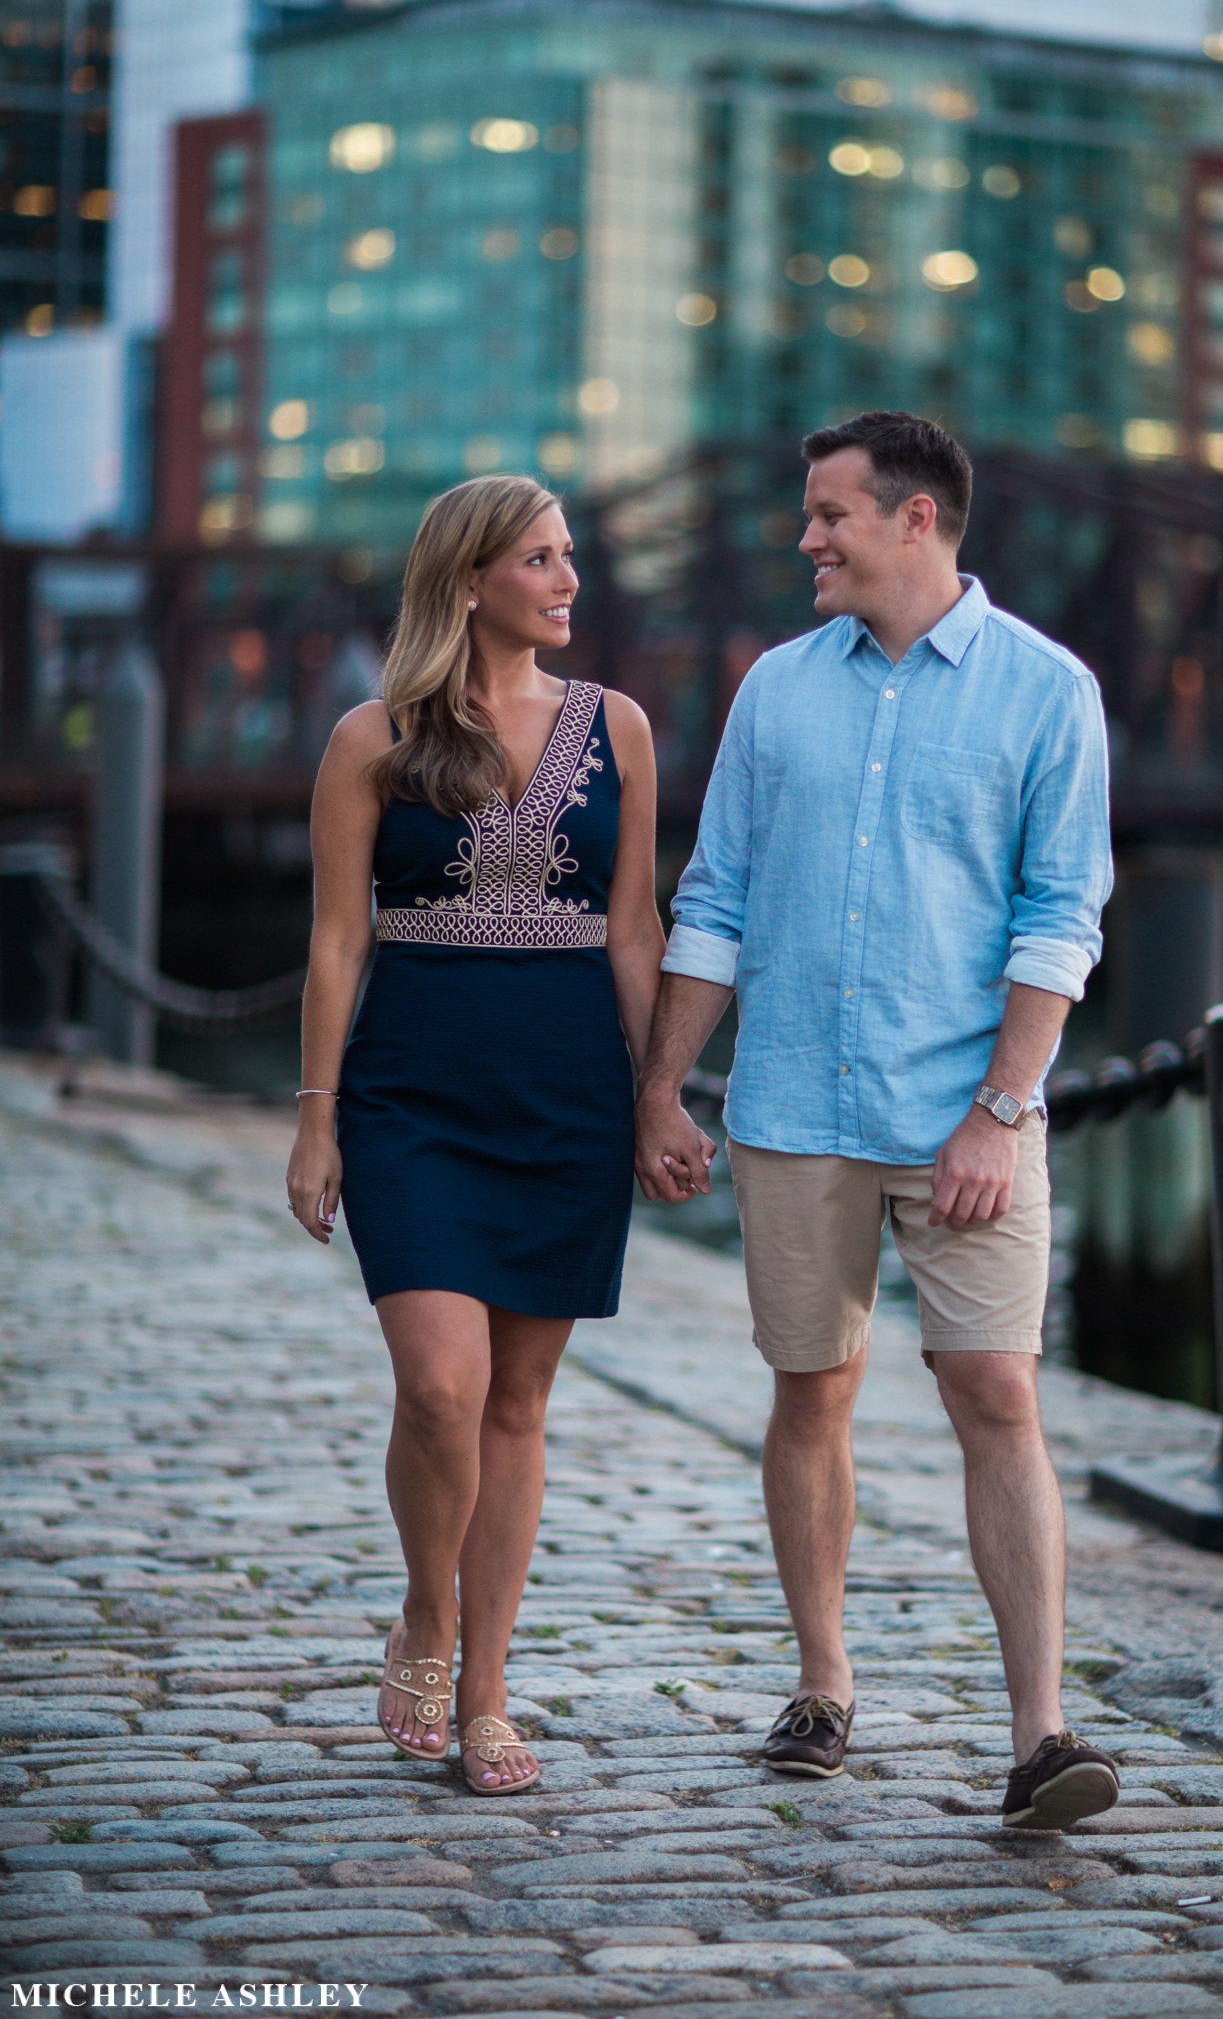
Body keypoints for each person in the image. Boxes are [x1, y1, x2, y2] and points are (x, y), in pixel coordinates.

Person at [635, 411, 1119, 1829]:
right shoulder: (776, 691)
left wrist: (997, 1110)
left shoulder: (1047, 691)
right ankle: (823, 1683)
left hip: (970, 1113)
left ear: (917, 521)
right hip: (795, 1104)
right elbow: (714, 897)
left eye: (832, 514)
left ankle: (1040, 1733)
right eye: (806, 512)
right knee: (810, 1390)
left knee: (998, 1390)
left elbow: (1059, 917)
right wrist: (663, 1084)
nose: (807, 538)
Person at [287, 474, 664, 1795]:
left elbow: (633, 930)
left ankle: (489, 1690)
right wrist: (316, 1116)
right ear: (469, 580)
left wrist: (661, 1089)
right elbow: (337, 942)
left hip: (566, 1093)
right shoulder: (370, 737)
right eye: (542, 560)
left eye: (570, 558)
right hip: (410, 1095)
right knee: (441, 1384)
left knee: (516, 1400)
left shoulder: (620, 726)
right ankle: (425, 1613)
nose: (569, 581)